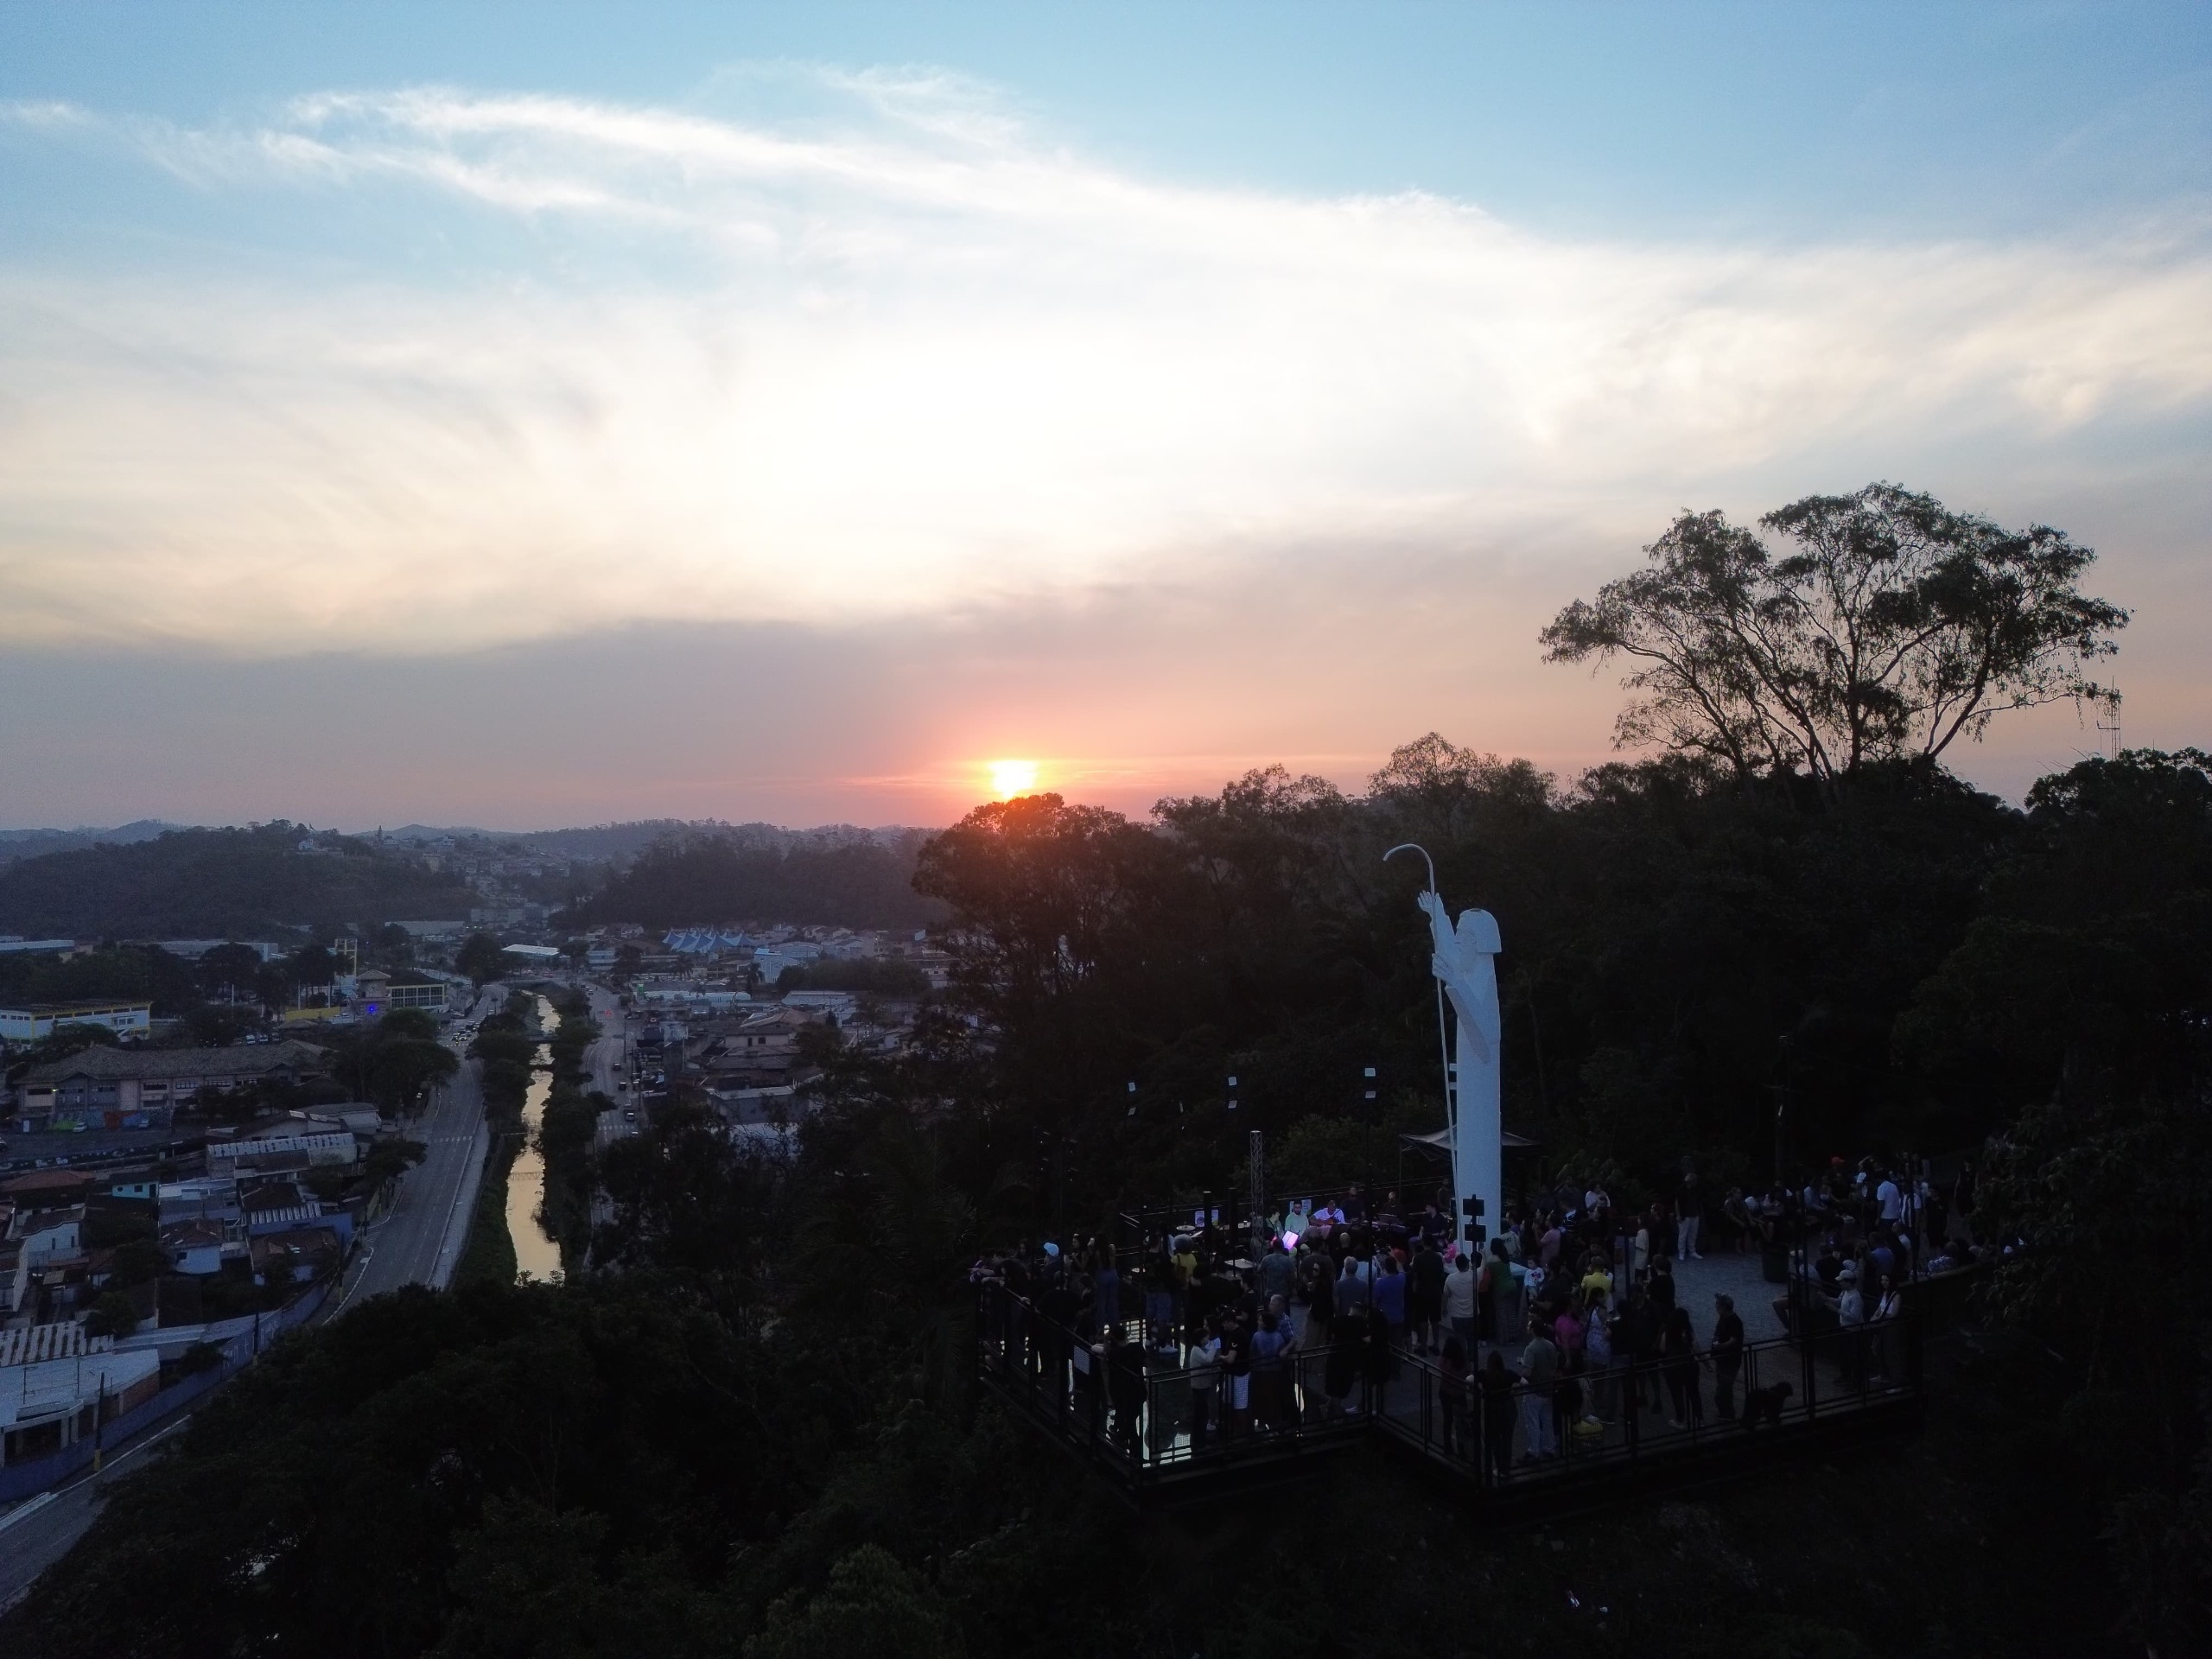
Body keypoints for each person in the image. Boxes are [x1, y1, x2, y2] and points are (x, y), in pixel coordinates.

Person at [1518, 1322, 1559, 1460]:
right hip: (1548, 1388)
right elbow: (1554, 1366)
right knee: (1547, 1419)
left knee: (1532, 1421)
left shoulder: (1531, 1348)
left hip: (1534, 1389)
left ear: (1533, 1330)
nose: (1527, 1328)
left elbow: (1528, 1372)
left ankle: (1534, 1450)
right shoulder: (1550, 1345)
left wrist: (1521, 1374)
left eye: (1529, 1326)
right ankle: (1550, 1448)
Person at [1660, 1305, 1702, 1429]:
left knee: (1677, 1395)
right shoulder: (1689, 1331)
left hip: (1673, 1368)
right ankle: (1700, 1419)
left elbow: (1662, 1349)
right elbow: (1696, 1348)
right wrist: (1706, 1364)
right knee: (1694, 1393)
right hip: (1690, 1365)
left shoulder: (1668, 1332)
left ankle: (1680, 1420)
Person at [1479, 1351, 1516, 1480]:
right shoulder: (1509, 1374)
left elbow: (1469, 1379)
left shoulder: (1485, 1375)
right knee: (1507, 1439)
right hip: (1508, 1408)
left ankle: (1498, 1467)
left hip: (1492, 1410)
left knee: (1495, 1440)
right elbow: (1523, 1382)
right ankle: (1506, 1468)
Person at [1710, 1293, 1744, 1420]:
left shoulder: (1734, 1321)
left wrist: (1720, 1346)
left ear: (1724, 1307)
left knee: (1724, 1388)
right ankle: (1726, 1413)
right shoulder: (1724, 1317)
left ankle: (1728, 1414)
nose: (1716, 1307)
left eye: (1718, 1305)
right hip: (1723, 1358)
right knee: (1724, 1387)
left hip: (1730, 1359)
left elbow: (1733, 1340)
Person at [1410, 1234, 1446, 1354]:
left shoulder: (1418, 1258)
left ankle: (1423, 1347)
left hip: (1422, 1292)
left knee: (1423, 1320)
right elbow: (1441, 1275)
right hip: (1435, 1291)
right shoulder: (1438, 1257)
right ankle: (1436, 1345)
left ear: (1423, 1243)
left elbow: (1415, 1277)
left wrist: (1414, 1292)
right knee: (1435, 1320)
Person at [1439, 1332, 1471, 1456]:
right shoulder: (1462, 1361)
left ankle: (1448, 1447)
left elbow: (1441, 1369)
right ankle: (1463, 1448)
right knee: (1461, 1421)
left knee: (1447, 1420)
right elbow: (1467, 1373)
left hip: (1445, 1392)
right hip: (1459, 1393)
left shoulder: (1444, 1361)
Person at [1441, 1250, 1478, 1350]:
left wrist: (1444, 1309)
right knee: (1472, 1340)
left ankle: (1464, 1362)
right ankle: (1471, 1360)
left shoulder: (1450, 1278)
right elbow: (1482, 1267)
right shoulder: (1474, 1276)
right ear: (1467, 1264)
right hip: (1471, 1314)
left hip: (1457, 1316)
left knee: (1460, 1341)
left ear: (1457, 1266)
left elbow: (1445, 1296)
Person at [1372, 1251, 1408, 1349]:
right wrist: (1393, 1255)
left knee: (1385, 1345)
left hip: (1385, 1318)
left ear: (1385, 1268)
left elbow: (1374, 1300)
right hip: (1399, 1317)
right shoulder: (1401, 1279)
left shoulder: (1380, 1283)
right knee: (1397, 1346)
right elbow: (1401, 1268)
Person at [1678, 1173, 1704, 1260]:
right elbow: (1677, 1203)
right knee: (1683, 1235)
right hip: (1685, 1215)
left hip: (1695, 1214)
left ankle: (1692, 1251)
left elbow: (1698, 1201)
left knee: (1693, 1234)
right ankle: (1681, 1252)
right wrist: (1678, 1215)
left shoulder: (1695, 1190)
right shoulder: (1681, 1190)